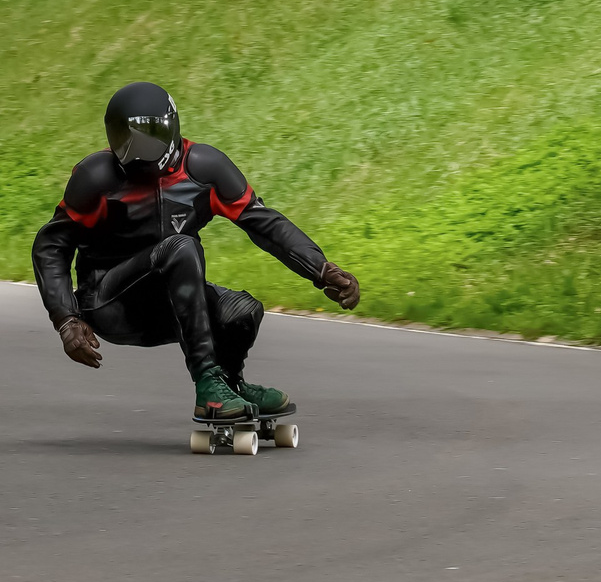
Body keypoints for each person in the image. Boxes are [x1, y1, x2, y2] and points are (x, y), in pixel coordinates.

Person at [31, 81, 360, 424]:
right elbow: (51, 245)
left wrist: (321, 269)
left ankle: (229, 385)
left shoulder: (205, 169)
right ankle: (207, 383)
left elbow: (265, 224)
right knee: (181, 247)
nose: (138, 152)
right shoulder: (96, 177)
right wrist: (66, 318)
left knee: (242, 312)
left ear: (172, 127)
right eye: (125, 141)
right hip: (109, 302)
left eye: (149, 137)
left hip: (170, 304)